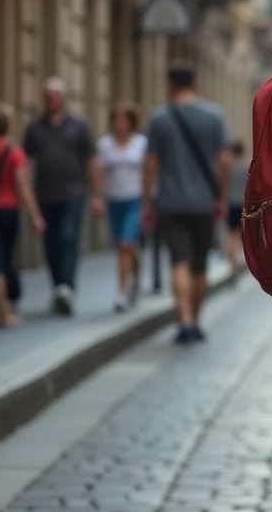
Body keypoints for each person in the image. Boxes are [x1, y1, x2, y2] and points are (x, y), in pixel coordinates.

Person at [143, 65, 232, 343]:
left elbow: (151, 163)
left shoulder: (159, 118)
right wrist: (221, 196)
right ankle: (195, 318)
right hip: (204, 202)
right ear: (196, 83)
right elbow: (225, 160)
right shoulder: (214, 116)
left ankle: (185, 320)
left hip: (170, 203)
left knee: (178, 262)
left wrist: (147, 201)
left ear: (169, 85)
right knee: (200, 266)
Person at [22, 77, 105, 315]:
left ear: (64, 98)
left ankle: (67, 288)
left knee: (68, 238)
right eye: (47, 97)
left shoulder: (79, 125)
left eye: (55, 96)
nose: (51, 100)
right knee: (50, 243)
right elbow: (24, 160)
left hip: (74, 192)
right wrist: (26, 194)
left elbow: (92, 161)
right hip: (44, 195)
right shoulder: (35, 127)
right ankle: (58, 286)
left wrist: (97, 195)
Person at [0, 102, 45, 327]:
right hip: (8, 211)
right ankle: (4, 312)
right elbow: (23, 186)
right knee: (2, 259)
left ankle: (6, 305)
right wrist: (35, 215)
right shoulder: (13, 152)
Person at [97, 102, 147, 312]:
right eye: (116, 119)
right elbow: (98, 171)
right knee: (126, 245)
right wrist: (98, 197)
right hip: (114, 200)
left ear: (132, 122)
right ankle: (134, 279)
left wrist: (149, 201)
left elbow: (150, 170)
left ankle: (121, 293)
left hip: (135, 200)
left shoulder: (141, 143)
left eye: (124, 119)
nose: (120, 124)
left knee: (125, 245)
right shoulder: (105, 144)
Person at [226, 141, 250, 274]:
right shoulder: (247, 166)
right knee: (245, 235)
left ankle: (233, 262)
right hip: (244, 204)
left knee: (232, 235)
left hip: (231, 204)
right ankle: (246, 261)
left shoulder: (228, 167)